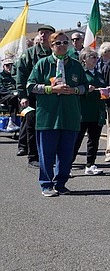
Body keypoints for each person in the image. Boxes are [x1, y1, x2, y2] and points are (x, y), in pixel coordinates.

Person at [27, 32, 88, 196]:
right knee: (46, 153)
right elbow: (30, 86)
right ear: (51, 46)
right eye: (58, 43)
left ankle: (60, 183)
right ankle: (46, 184)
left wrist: (74, 90)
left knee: (66, 154)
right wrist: (50, 89)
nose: (62, 46)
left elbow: (85, 87)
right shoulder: (42, 64)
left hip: (70, 116)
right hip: (48, 116)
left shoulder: (75, 65)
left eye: (64, 42)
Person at [15, 24, 55, 166]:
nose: (43, 36)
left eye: (46, 33)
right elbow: (21, 75)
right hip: (31, 95)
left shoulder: (56, 54)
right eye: (41, 33)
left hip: (50, 96)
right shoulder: (29, 54)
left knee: (49, 127)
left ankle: (48, 155)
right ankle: (33, 157)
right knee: (32, 124)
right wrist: (23, 96)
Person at [72, 48, 109, 176]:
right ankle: (68, 165)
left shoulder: (99, 74)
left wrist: (106, 91)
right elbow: (74, 90)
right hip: (83, 112)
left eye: (96, 57)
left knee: (94, 140)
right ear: (84, 59)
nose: (95, 59)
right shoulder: (80, 74)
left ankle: (90, 164)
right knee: (77, 140)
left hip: (96, 111)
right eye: (92, 57)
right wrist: (85, 89)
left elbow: (102, 88)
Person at [1, 57, 20, 128]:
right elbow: (1, 89)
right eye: (7, 65)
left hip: (14, 96)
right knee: (13, 98)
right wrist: (12, 92)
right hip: (3, 96)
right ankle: (12, 121)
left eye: (11, 65)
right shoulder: (0, 76)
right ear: (3, 66)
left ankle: (18, 121)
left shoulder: (15, 76)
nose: (9, 67)